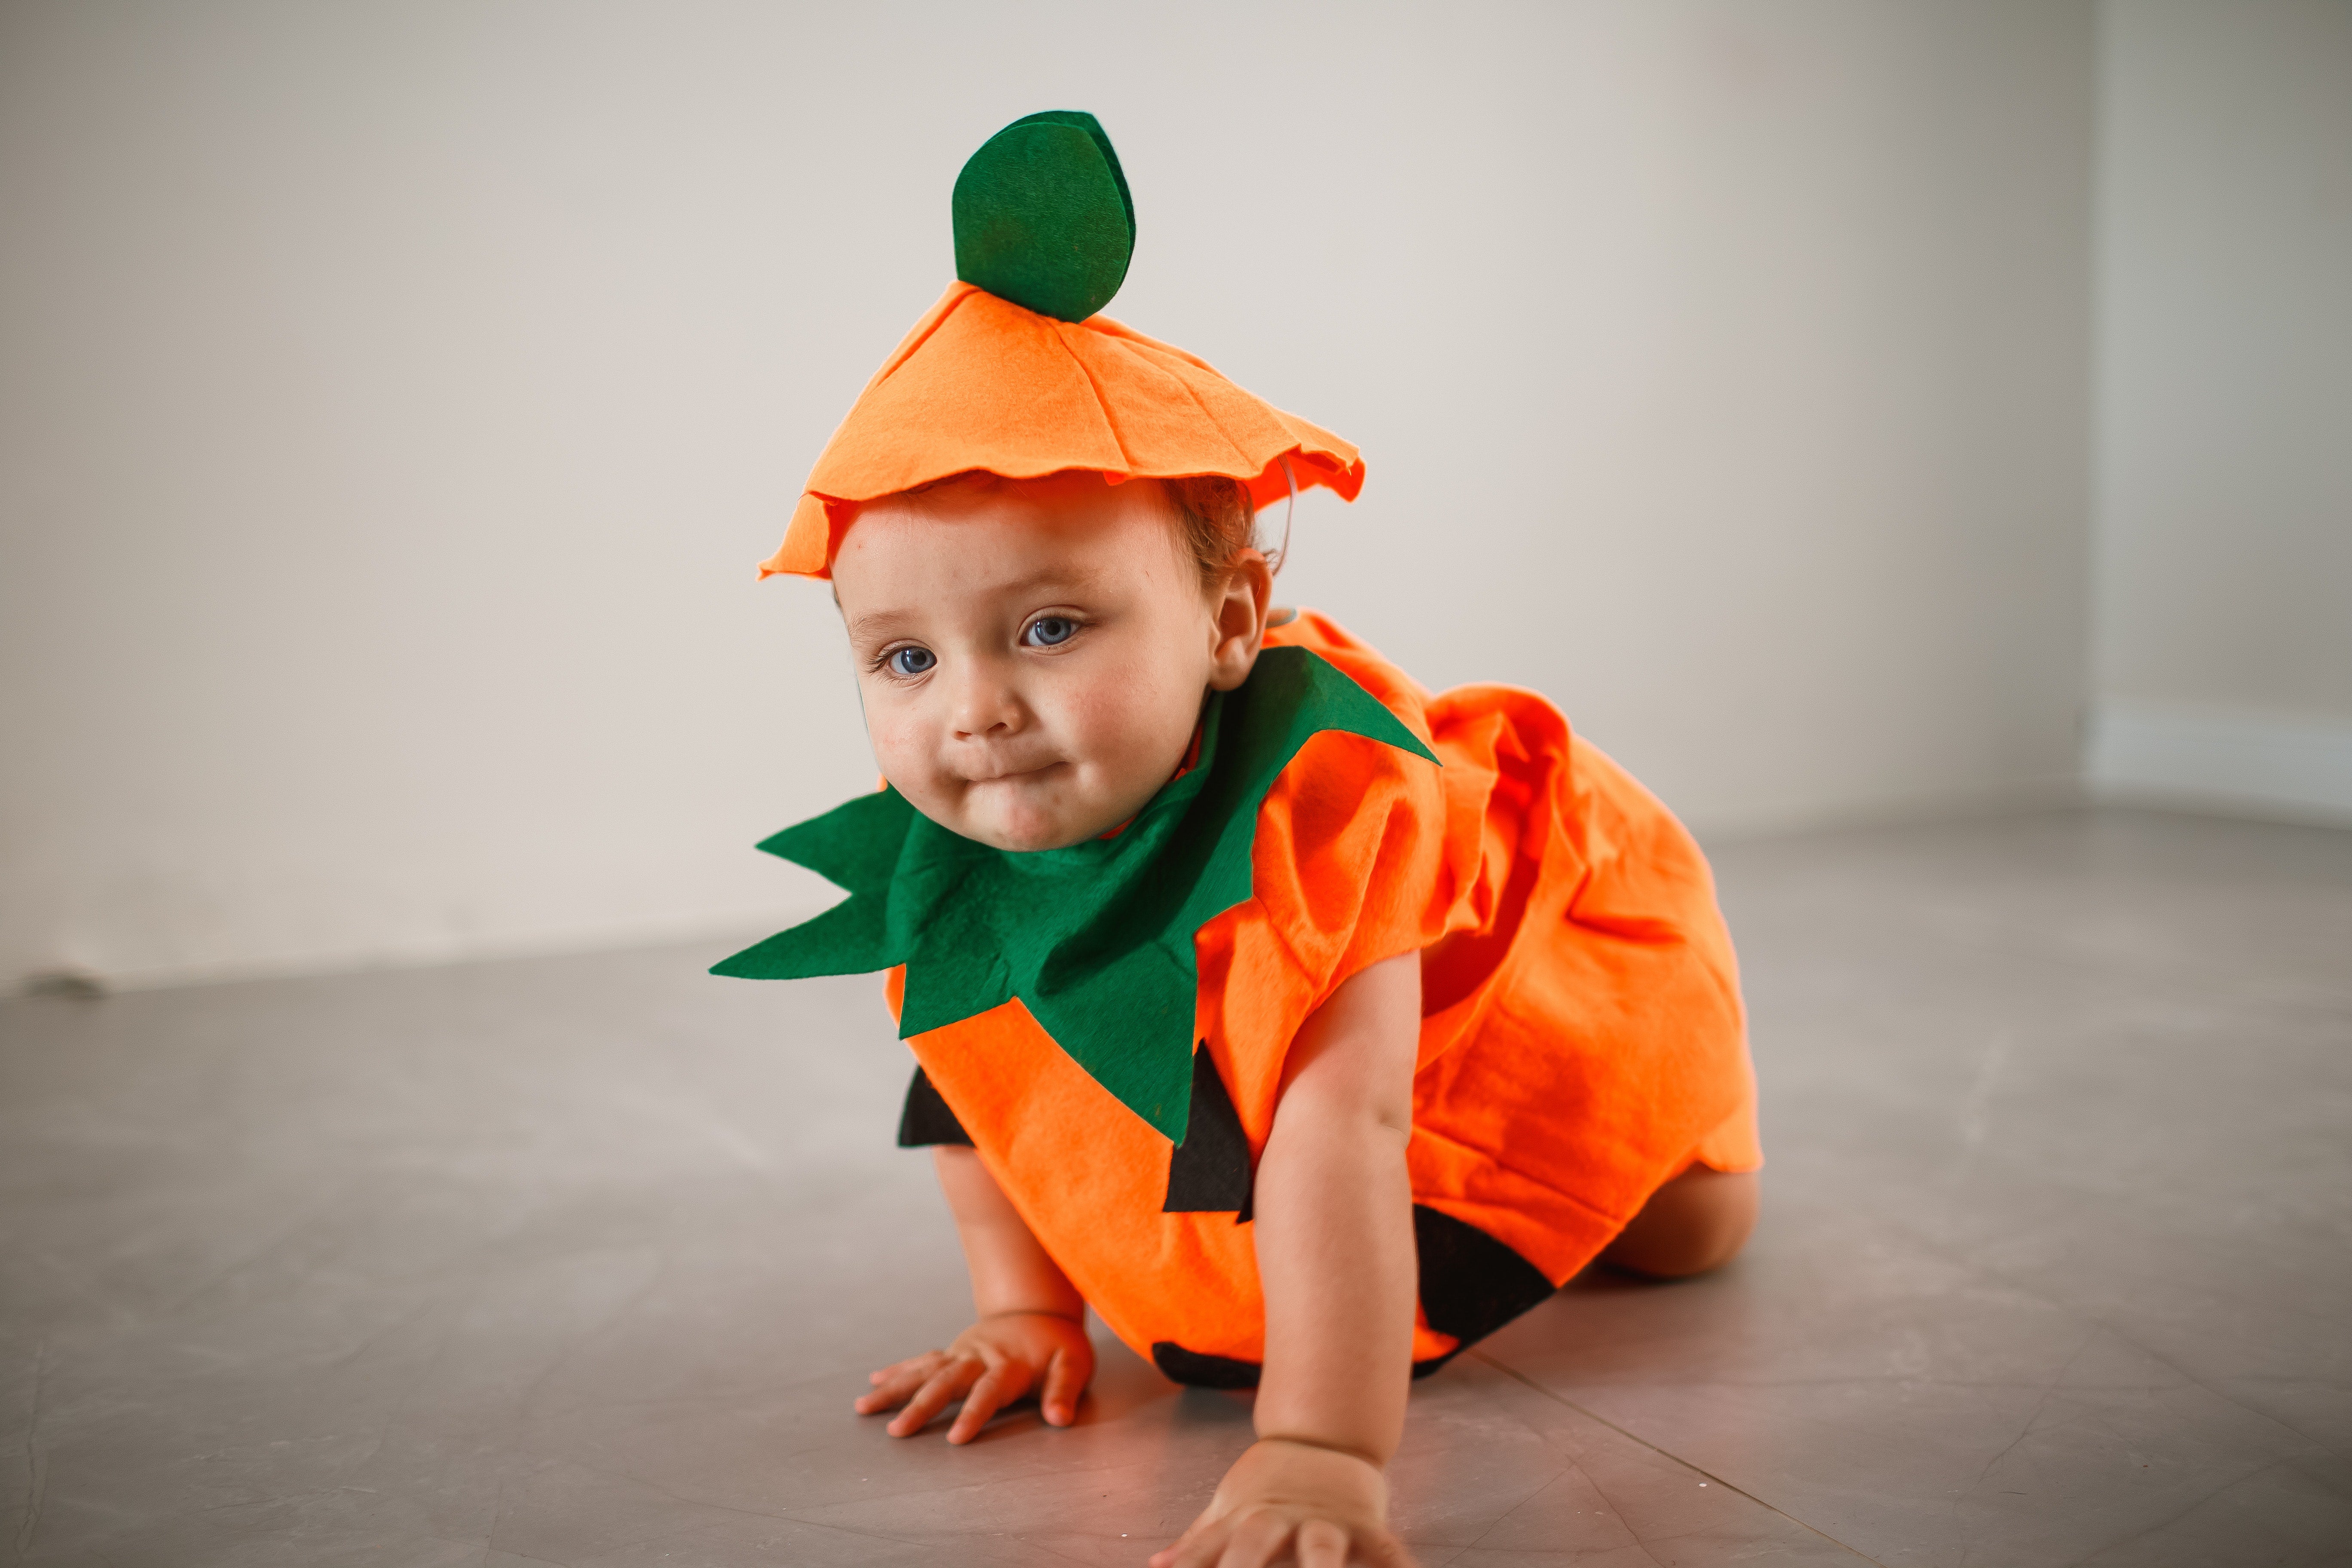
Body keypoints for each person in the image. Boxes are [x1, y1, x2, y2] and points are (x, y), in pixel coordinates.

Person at [717, 111, 1761, 1568]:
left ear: (1228, 626)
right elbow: (979, 1093)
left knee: (1684, 1240)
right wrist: (1024, 1309)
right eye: (905, 661)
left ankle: (1661, 1153)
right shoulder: (945, 855)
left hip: (1485, 1005)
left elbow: (1346, 1132)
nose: (977, 710)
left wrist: (1317, 1450)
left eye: (1050, 627)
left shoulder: (1335, 833)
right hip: (1259, 1105)